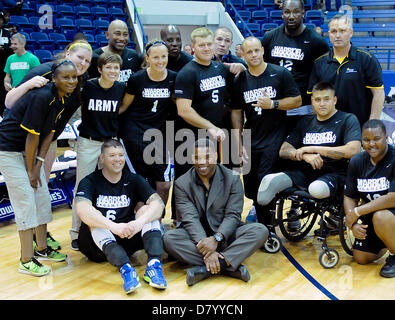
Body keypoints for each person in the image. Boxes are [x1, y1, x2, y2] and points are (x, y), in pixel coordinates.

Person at [4, 40, 93, 250]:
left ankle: (40, 236)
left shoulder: (81, 81)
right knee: (29, 187)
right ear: (67, 53)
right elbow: (9, 101)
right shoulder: (44, 72)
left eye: (87, 61)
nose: (82, 63)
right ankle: (30, 245)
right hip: (22, 139)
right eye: (79, 57)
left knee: (40, 189)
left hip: (47, 140)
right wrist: (27, 84)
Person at [0, 60, 77, 277]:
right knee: (26, 199)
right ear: (54, 78)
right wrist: (31, 170)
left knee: (42, 195)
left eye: (74, 77)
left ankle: (42, 248)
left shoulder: (63, 98)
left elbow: (49, 134)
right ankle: (26, 260)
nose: (71, 81)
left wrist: (39, 165)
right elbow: (32, 137)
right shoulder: (42, 97)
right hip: (9, 150)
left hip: (29, 151)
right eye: (66, 77)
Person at [257, 81, 361, 230]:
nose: (322, 103)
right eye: (317, 100)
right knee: (268, 182)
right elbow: (284, 149)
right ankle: (267, 225)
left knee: (316, 189)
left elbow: (353, 150)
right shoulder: (305, 122)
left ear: (334, 100)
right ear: (312, 101)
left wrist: (311, 148)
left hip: (334, 174)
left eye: (326, 99)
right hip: (304, 173)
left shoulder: (347, 119)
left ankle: (336, 216)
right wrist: (304, 155)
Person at [163, 139, 268, 285]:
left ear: (216, 156)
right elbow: (190, 219)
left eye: (207, 157)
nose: (201, 162)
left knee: (260, 230)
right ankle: (228, 264)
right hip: (198, 240)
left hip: (226, 235)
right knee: (169, 238)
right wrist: (208, 249)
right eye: (197, 157)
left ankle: (206, 269)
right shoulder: (182, 183)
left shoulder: (232, 178)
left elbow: (233, 215)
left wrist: (217, 239)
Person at [75, 139, 167, 293]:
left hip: (126, 236)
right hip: (97, 245)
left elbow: (159, 204)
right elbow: (81, 209)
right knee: (94, 218)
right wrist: (112, 226)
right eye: (112, 155)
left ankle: (154, 266)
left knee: (146, 211)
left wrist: (139, 222)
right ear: (102, 158)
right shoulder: (90, 180)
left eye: (120, 155)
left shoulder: (133, 178)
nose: (117, 159)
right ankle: (126, 269)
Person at [231, 36, 302, 226]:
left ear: (262, 50)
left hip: (275, 137)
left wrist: (274, 104)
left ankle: (268, 227)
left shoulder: (279, 74)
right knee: (251, 187)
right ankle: (261, 221)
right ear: (243, 55)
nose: (253, 55)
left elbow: (296, 100)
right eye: (249, 52)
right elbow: (237, 112)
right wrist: (238, 141)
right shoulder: (240, 81)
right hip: (251, 137)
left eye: (256, 50)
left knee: (265, 182)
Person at [171, 27, 238, 221]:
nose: (207, 48)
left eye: (209, 44)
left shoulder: (218, 68)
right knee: (185, 180)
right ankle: (179, 221)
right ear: (192, 48)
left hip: (212, 135)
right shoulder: (187, 73)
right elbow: (184, 110)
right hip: (188, 135)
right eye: (201, 45)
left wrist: (239, 66)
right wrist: (210, 126)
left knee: (210, 177)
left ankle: (207, 218)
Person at [69, 52, 126, 251]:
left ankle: (105, 229)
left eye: (116, 68)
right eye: (108, 67)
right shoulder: (89, 87)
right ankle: (76, 232)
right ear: (100, 69)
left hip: (111, 142)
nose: (113, 71)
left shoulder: (121, 88)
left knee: (110, 185)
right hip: (88, 141)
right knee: (81, 186)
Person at [119, 40, 176, 210]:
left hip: (159, 134)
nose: (160, 61)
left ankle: (156, 221)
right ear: (148, 58)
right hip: (134, 133)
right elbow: (123, 107)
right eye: (156, 57)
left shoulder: (174, 78)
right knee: (140, 182)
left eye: (163, 56)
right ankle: (142, 223)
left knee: (164, 184)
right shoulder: (137, 79)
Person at [262, 0, 329, 131]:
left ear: (303, 13)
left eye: (296, 12)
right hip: (275, 107)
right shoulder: (270, 38)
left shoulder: (317, 42)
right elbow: (261, 68)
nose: (291, 16)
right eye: (287, 12)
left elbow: (323, 77)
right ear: (282, 14)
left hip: (303, 110)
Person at [308, 14, 385, 127]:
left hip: (360, 125)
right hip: (330, 128)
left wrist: (371, 124)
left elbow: (378, 93)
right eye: (334, 31)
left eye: (342, 31)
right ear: (329, 34)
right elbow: (314, 97)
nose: (338, 35)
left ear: (351, 32)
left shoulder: (366, 59)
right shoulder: (319, 63)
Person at [344, 119, 395, 278]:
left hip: (388, 215)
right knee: (361, 257)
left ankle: (394, 255)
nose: (371, 144)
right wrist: (352, 223)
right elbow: (349, 196)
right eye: (366, 140)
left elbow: (392, 199)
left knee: (381, 216)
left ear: (386, 137)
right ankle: (388, 240)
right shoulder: (357, 161)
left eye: (376, 139)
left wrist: (357, 212)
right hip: (372, 218)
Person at [0, 10, 12, 115]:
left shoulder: (7, 33)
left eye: (0, 20)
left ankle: (2, 111)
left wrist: (5, 48)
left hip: (4, 64)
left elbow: (12, 47)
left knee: (3, 88)